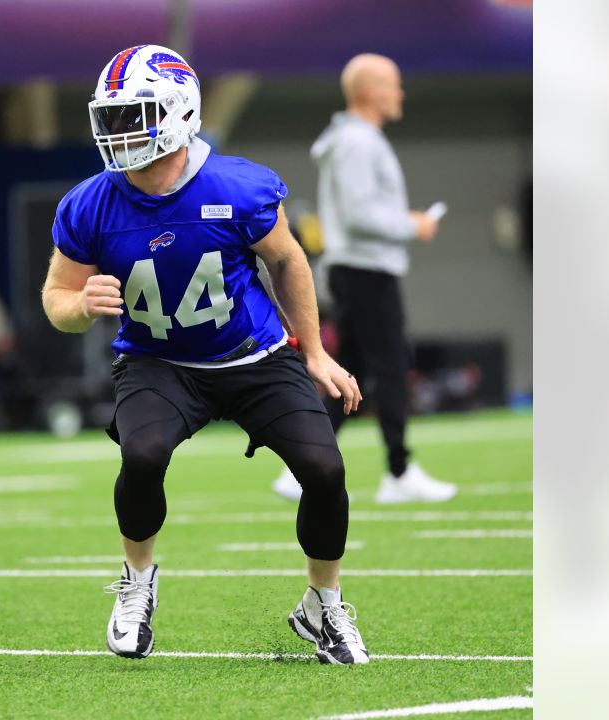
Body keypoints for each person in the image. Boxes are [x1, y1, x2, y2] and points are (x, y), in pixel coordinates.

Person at [42, 45, 370, 664]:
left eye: (134, 115)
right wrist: (80, 304)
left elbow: (288, 259)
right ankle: (137, 581)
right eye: (111, 118)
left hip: (254, 353)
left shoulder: (238, 185)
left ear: (177, 112)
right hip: (157, 361)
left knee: (325, 471)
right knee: (141, 455)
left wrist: (316, 353)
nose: (120, 132)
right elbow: (57, 296)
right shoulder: (90, 201)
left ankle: (322, 603)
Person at [272, 53, 458, 505]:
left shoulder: (352, 140)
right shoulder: (358, 142)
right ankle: (398, 471)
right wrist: (413, 224)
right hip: (365, 268)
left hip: (358, 268)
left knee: (350, 373)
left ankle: (299, 467)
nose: (401, 94)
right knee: (391, 367)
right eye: (394, 85)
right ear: (372, 91)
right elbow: (359, 214)